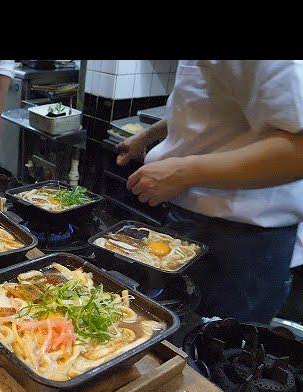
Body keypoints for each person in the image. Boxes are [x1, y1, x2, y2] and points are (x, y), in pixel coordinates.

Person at [116, 60, 303, 325]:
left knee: (219, 348)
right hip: (195, 223)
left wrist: (182, 172)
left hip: (242, 241)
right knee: (175, 330)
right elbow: (211, 105)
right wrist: (147, 136)